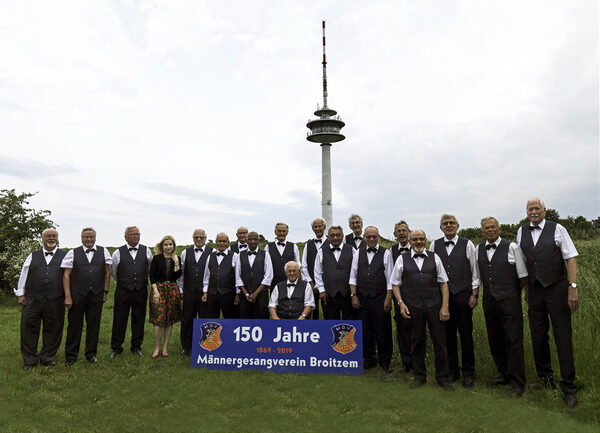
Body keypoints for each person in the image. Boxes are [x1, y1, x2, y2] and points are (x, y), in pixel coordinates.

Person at [517, 198, 580, 408]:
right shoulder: (521, 232)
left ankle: (569, 385)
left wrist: (572, 288)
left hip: (557, 288)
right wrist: (526, 289)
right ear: (526, 212)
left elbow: (570, 258)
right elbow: (522, 264)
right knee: (537, 336)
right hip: (534, 291)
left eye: (537, 208)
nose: (534, 211)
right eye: (530, 209)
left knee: (562, 335)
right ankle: (545, 379)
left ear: (544, 211)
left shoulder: (557, 228)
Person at [391, 229, 453, 391]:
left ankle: (443, 377)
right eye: (415, 239)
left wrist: (445, 306)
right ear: (410, 241)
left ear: (425, 240)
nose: (418, 242)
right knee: (416, 341)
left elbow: (444, 283)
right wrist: (401, 303)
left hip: (434, 306)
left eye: (421, 239)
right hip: (412, 306)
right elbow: (395, 284)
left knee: (440, 342)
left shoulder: (435, 258)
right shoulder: (401, 259)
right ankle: (419, 375)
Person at [478, 217, 528, 397]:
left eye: (493, 227)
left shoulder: (512, 247)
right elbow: (478, 275)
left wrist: (513, 293)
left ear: (499, 229)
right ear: (482, 231)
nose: (490, 230)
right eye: (486, 228)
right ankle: (504, 373)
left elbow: (523, 275)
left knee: (513, 340)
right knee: (495, 338)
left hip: (509, 300)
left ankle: (518, 382)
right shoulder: (478, 249)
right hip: (489, 300)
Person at [430, 214, 480, 387]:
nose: (449, 225)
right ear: (441, 227)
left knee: (466, 335)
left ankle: (468, 372)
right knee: (447, 336)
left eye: (452, 223)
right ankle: (452, 370)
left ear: (457, 226)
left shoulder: (468, 244)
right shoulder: (434, 245)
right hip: (443, 298)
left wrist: (474, 294)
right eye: (445, 223)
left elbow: (475, 271)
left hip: (463, 296)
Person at [15, 228, 67, 369]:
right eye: (48, 236)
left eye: (54, 236)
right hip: (33, 299)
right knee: (28, 329)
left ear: (57, 238)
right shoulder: (33, 255)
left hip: (56, 299)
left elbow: (70, 277)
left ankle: (47, 357)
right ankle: (30, 360)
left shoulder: (66, 256)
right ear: (42, 239)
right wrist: (21, 294)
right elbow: (24, 274)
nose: (51, 238)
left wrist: (68, 296)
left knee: (54, 329)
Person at [62, 227, 112, 366]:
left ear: (95, 237)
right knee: (74, 325)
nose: (89, 239)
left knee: (93, 325)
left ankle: (91, 354)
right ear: (81, 238)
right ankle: (71, 356)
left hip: (96, 294)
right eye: (86, 237)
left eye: (91, 237)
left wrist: (104, 292)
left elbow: (107, 273)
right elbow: (66, 275)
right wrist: (68, 296)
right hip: (77, 294)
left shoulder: (103, 251)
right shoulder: (73, 253)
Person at [349, 226, 394, 373]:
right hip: (362, 298)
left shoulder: (386, 253)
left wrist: (388, 298)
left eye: (374, 236)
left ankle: (385, 361)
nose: (372, 239)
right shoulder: (358, 253)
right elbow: (353, 276)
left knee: (383, 330)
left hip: (380, 297)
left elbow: (390, 278)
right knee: (365, 330)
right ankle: (369, 359)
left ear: (378, 237)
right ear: (364, 238)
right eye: (368, 237)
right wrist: (354, 295)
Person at [109, 226, 152, 358]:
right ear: (126, 237)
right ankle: (116, 348)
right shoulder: (118, 252)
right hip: (123, 291)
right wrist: (122, 282)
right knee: (119, 319)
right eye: (132, 234)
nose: (135, 236)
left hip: (140, 290)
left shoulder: (146, 250)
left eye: (137, 234)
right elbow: (113, 271)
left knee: (138, 319)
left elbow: (149, 268)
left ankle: (136, 346)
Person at [179, 229, 213, 355]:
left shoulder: (212, 252)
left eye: (201, 237)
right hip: (189, 291)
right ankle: (186, 346)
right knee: (187, 318)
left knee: (205, 318)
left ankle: (205, 345)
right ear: (193, 238)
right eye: (196, 237)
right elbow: (181, 273)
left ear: (205, 238)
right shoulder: (185, 252)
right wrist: (181, 289)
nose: (199, 239)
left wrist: (207, 290)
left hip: (206, 292)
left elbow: (212, 273)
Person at [149, 235, 182, 358]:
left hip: (172, 291)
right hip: (158, 290)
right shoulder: (156, 258)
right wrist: (156, 292)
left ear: (173, 246)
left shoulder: (176, 258)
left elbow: (176, 276)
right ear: (162, 246)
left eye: (170, 244)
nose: (168, 247)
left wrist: (177, 263)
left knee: (169, 320)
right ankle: (157, 347)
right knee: (158, 320)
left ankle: (165, 348)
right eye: (166, 244)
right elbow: (151, 276)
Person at [314, 225, 356, 320]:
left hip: (348, 294)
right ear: (328, 237)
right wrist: (322, 290)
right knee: (331, 324)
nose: (335, 238)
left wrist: (354, 293)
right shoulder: (321, 252)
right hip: (329, 295)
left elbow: (355, 272)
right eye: (332, 235)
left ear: (342, 236)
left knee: (349, 323)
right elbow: (318, 272)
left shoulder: (352, 250)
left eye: (338, 235)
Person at [390, 221, 413, 373]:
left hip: (417, 295)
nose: (401, 233)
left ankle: (418, 361)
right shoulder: (391, 251)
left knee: (416, 329)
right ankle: (406, 363)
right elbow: (391, 275)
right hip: (399, 295)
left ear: (409, 232)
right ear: (395, 235)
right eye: (398, 231)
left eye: (404, 230)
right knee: (402, 329)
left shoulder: (417, 247)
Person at [202, 233, 240, 319]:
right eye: (219, 241)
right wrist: (205, 292)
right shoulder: (210, 256)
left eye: (224, 241)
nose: (222, 243)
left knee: (230, 318)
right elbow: (207, 275)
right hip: (212, 293)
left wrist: (238, 293)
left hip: (229, 294)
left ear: (228, 243)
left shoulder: (234, 256)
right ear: (216, 242)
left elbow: (238, 276)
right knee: (212, 319)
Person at [236, 231, 273, 319]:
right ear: (247, 240)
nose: (253, 241)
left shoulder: (265, 254)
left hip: (261, 295)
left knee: (262, 318)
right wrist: (247, 294)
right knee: (245, 319)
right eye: (250, 239)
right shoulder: (240, 255)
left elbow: (268, 275)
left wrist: (256, 293)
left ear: (258, 241)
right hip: (245, 295)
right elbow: (238, 276)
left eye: (255, 239)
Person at [301, 218, 328, 319]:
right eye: (315, 227)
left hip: (327, 285)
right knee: (312, 312)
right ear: (312, 228)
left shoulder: (331, 242)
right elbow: (304, 266)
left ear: (324, 227)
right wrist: (310, 282)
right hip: (311, 285)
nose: (317, 228)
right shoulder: (308, 244)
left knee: (328, 311)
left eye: (320, 226)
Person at [265, 222, 300, 291]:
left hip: (290, 281)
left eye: (284, 231)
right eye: (279, 231)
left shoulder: (294, 246)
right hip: (274, 282)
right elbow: (265, 266)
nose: (281, 233)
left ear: (287, 232)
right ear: (275, 232)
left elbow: (297, 264)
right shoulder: (268, 247)